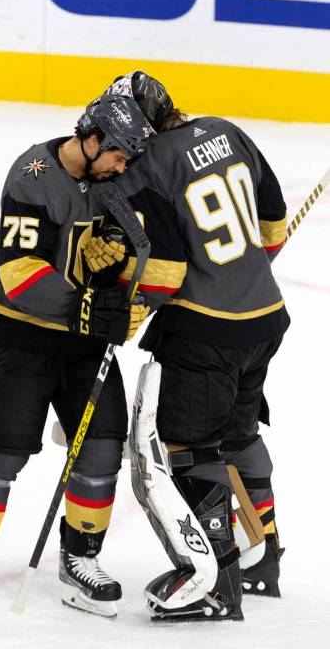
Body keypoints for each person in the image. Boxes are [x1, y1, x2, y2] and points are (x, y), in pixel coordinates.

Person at [0, 95, 152, 630]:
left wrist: (119, 269)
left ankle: (80, 559)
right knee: (0, 460)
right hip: (18, 338)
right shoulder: (33, 174)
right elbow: (17, 271)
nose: (124, 166)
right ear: (92, 139)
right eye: (118, 154)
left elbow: (127, 251)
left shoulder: (113, 183)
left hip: (80, 343)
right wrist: (89, 308)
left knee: (100, 451)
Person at [107, 71, 289, 622]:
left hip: (205, 331)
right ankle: (264, 558)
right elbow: (274, 227)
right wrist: (239, 275)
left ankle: (218, 581)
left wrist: (126, 313)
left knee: (189, 448)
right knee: (238, 434)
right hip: (264, 317)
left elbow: (162, 271)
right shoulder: (226, 131)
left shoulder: (145, 167)